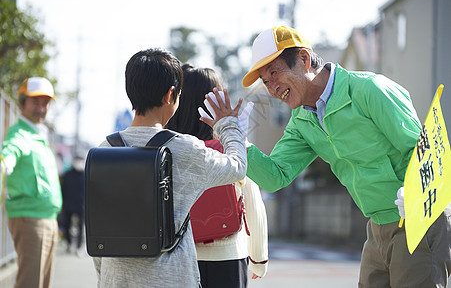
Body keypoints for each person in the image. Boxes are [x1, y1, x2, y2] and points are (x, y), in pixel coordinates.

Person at [225, 25, 450, 287]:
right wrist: (238, 141)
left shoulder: (369, 89)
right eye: (265, 82)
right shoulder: (301, 120)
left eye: (274, 73)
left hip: (420, 220)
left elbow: (423, 150)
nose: (272, 88)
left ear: (304, 59)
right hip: (376, 227)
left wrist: (414, 194)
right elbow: (275, 176)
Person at [92, 48, 248, 288]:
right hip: (172, 280)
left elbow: (97, 229)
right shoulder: (185, 149)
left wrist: (106, 279)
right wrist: (227, 125)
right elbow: (237, 166)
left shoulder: (103, 150)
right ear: (170, 95)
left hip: (116, 279)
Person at [166, 63, 268, 287]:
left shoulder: (167, 149)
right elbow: (253, 203)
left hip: (178, 256)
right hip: (229, 256)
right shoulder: (232, 146)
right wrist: (259, 259)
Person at [1, 77, 62, 288]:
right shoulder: (19, 133)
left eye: (45, 103)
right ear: (21, 103)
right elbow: (10, 150)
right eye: (36, 101)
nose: (42, 108)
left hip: (46, 219)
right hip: (30, 218)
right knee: (30, 283)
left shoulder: (39, 134)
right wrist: (5, 162)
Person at [60, 156, 85, 255]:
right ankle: (69, 244)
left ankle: (79, 246)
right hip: (68, 204)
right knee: (66, 224)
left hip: (81, 205)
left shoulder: (85, 175)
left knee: (80, 226)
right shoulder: (68, 175)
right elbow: (63, 189)